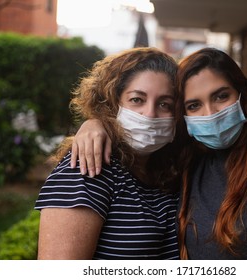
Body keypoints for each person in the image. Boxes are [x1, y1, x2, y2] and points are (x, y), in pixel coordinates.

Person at [72, 48, 247, 259]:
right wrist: (97, 123)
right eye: (194, 105)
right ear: (183, 117)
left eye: (221, 96)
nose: (210, 113)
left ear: (244, 96)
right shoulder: (185, 163)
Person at [35, 47, 181, 260]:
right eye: (137, 100)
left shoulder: (168, 170)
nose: (150, 114)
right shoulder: (88, 165)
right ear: (113, 103)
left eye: (164, 104)